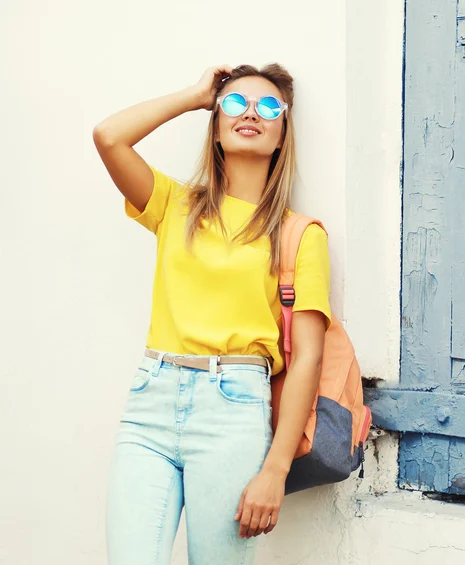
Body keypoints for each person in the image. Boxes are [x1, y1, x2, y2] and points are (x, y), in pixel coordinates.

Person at [92, 63, 331, 565]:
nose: (250, 113)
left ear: (283, 132)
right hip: (150, 404)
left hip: (234, 413)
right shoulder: (175, 205)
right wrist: (194, 94)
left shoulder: (299, 234)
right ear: (216, 126)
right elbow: (109, 137)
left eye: (269, 107)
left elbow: (308, 358)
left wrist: (275, 470)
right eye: (234, 103)